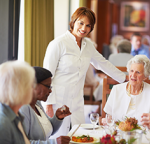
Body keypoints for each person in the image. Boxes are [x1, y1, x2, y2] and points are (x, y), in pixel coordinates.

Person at [43, 7, 126, 137]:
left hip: (76, 99)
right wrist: (48, 104)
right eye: (80, 23)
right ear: (73, 22)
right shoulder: (58, 44)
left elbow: (104, 64)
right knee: (58, 137)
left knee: (79, 136)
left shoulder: (88, 46)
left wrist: (124, 78)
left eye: (88, 25)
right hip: (57, 100)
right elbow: (47, 75)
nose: (84, 28)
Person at [102, 55, 150, 124]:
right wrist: (106, 121)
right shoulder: (116, 89)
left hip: (144, 133)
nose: (133, 75)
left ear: (145, 76)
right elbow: (108, 117)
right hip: (119, 133)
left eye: (138, 72)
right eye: (131, 71)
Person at [20, 67, 71, 144]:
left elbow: (47, 131)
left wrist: (57, 117)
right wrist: (54, 142)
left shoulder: (37, 104)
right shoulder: (23, 108)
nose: (50, 91)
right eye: (48, 86)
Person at [0, 61, 35, 144]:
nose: (33, 89)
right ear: (19, 88)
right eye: (31, 85)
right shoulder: (3, 125)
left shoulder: (16, 116)